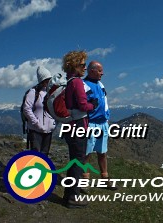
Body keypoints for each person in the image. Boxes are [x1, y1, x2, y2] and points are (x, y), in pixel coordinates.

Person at [59, 50, 94, 208]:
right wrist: (93, 105)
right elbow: (82, 105)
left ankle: (69, 195)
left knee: (74, 161)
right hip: (78, 126)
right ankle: (72, 197)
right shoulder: (77, 82)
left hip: (69, 126)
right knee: (78, 162)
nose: (85, 68)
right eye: (82, 65)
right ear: (74, 66)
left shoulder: (68, 81)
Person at [82, 61, 111, 186]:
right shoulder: (84, 85)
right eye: (100, 71)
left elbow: (104, 100)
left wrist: (107, 116)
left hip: (103, 123)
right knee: (86, 153)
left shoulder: (100, 84)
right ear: (92, 71)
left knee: (102, 152)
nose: (102, 73)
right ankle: (85, 179)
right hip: (91, 123)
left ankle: (105, 177)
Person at [22, 67, 56, 155]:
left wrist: (54, 123)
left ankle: (42, 169)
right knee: (35, 154)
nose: (48, 82)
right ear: (42, 80)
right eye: (46, 80)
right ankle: (33, 169)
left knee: (44, 155)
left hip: (49, 130)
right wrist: (36, 123)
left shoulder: (52, 93)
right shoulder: (33, 92)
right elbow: (26, 109)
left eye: (49, 79)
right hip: (35, 130)